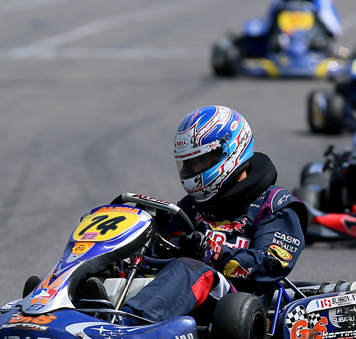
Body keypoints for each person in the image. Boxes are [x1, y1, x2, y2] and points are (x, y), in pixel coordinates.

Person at [122, 106, 308, 324]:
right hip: (183, 293)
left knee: (189, 268)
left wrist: (213, 254)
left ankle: (130, 322)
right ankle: (87, 308)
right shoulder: (190, 206)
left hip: (237, 303)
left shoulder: (276, 205)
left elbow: (272, 263)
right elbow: (161, 247)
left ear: (229, 151)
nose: (194, 168)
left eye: (202, 160)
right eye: (189, 163)